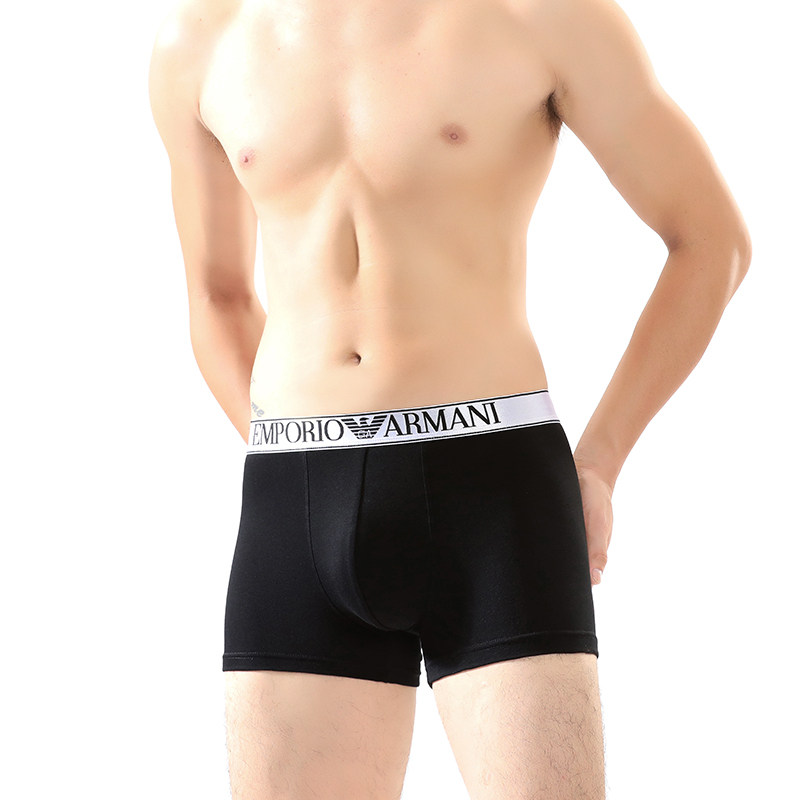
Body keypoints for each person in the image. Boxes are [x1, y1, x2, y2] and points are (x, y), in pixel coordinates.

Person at [148, 0, 750, 795]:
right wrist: (300, 465)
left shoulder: (541, 15)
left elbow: (711, 241)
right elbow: (217, 296)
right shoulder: (202, 38)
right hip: (294, 495)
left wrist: (600, 463)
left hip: (494, 490)